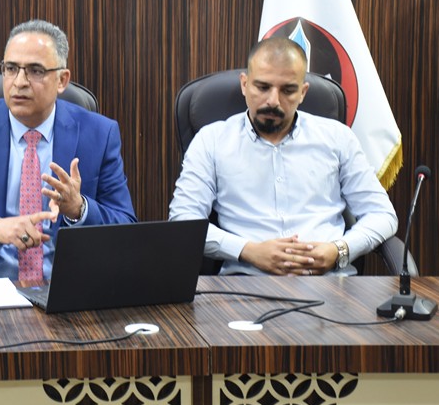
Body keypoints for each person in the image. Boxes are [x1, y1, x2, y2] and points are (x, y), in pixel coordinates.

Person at [0, 19, 136, 281]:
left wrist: (79, 209)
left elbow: (126, 230)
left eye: (35, 71)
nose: (19, 82)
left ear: (62, 80)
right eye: (11, 69)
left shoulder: (99, 134)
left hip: (67, 291)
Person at [169, 37, 398, 276]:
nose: (273, 101)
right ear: (244, 85)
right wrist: (247, 250)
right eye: (262, 87)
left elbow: (382, 214)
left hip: (329, 284)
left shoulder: (337, 138)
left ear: (303, 92)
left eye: (288, 90)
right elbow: (183, 220)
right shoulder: (212, 141)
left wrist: (339, 250)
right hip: (244, 284)